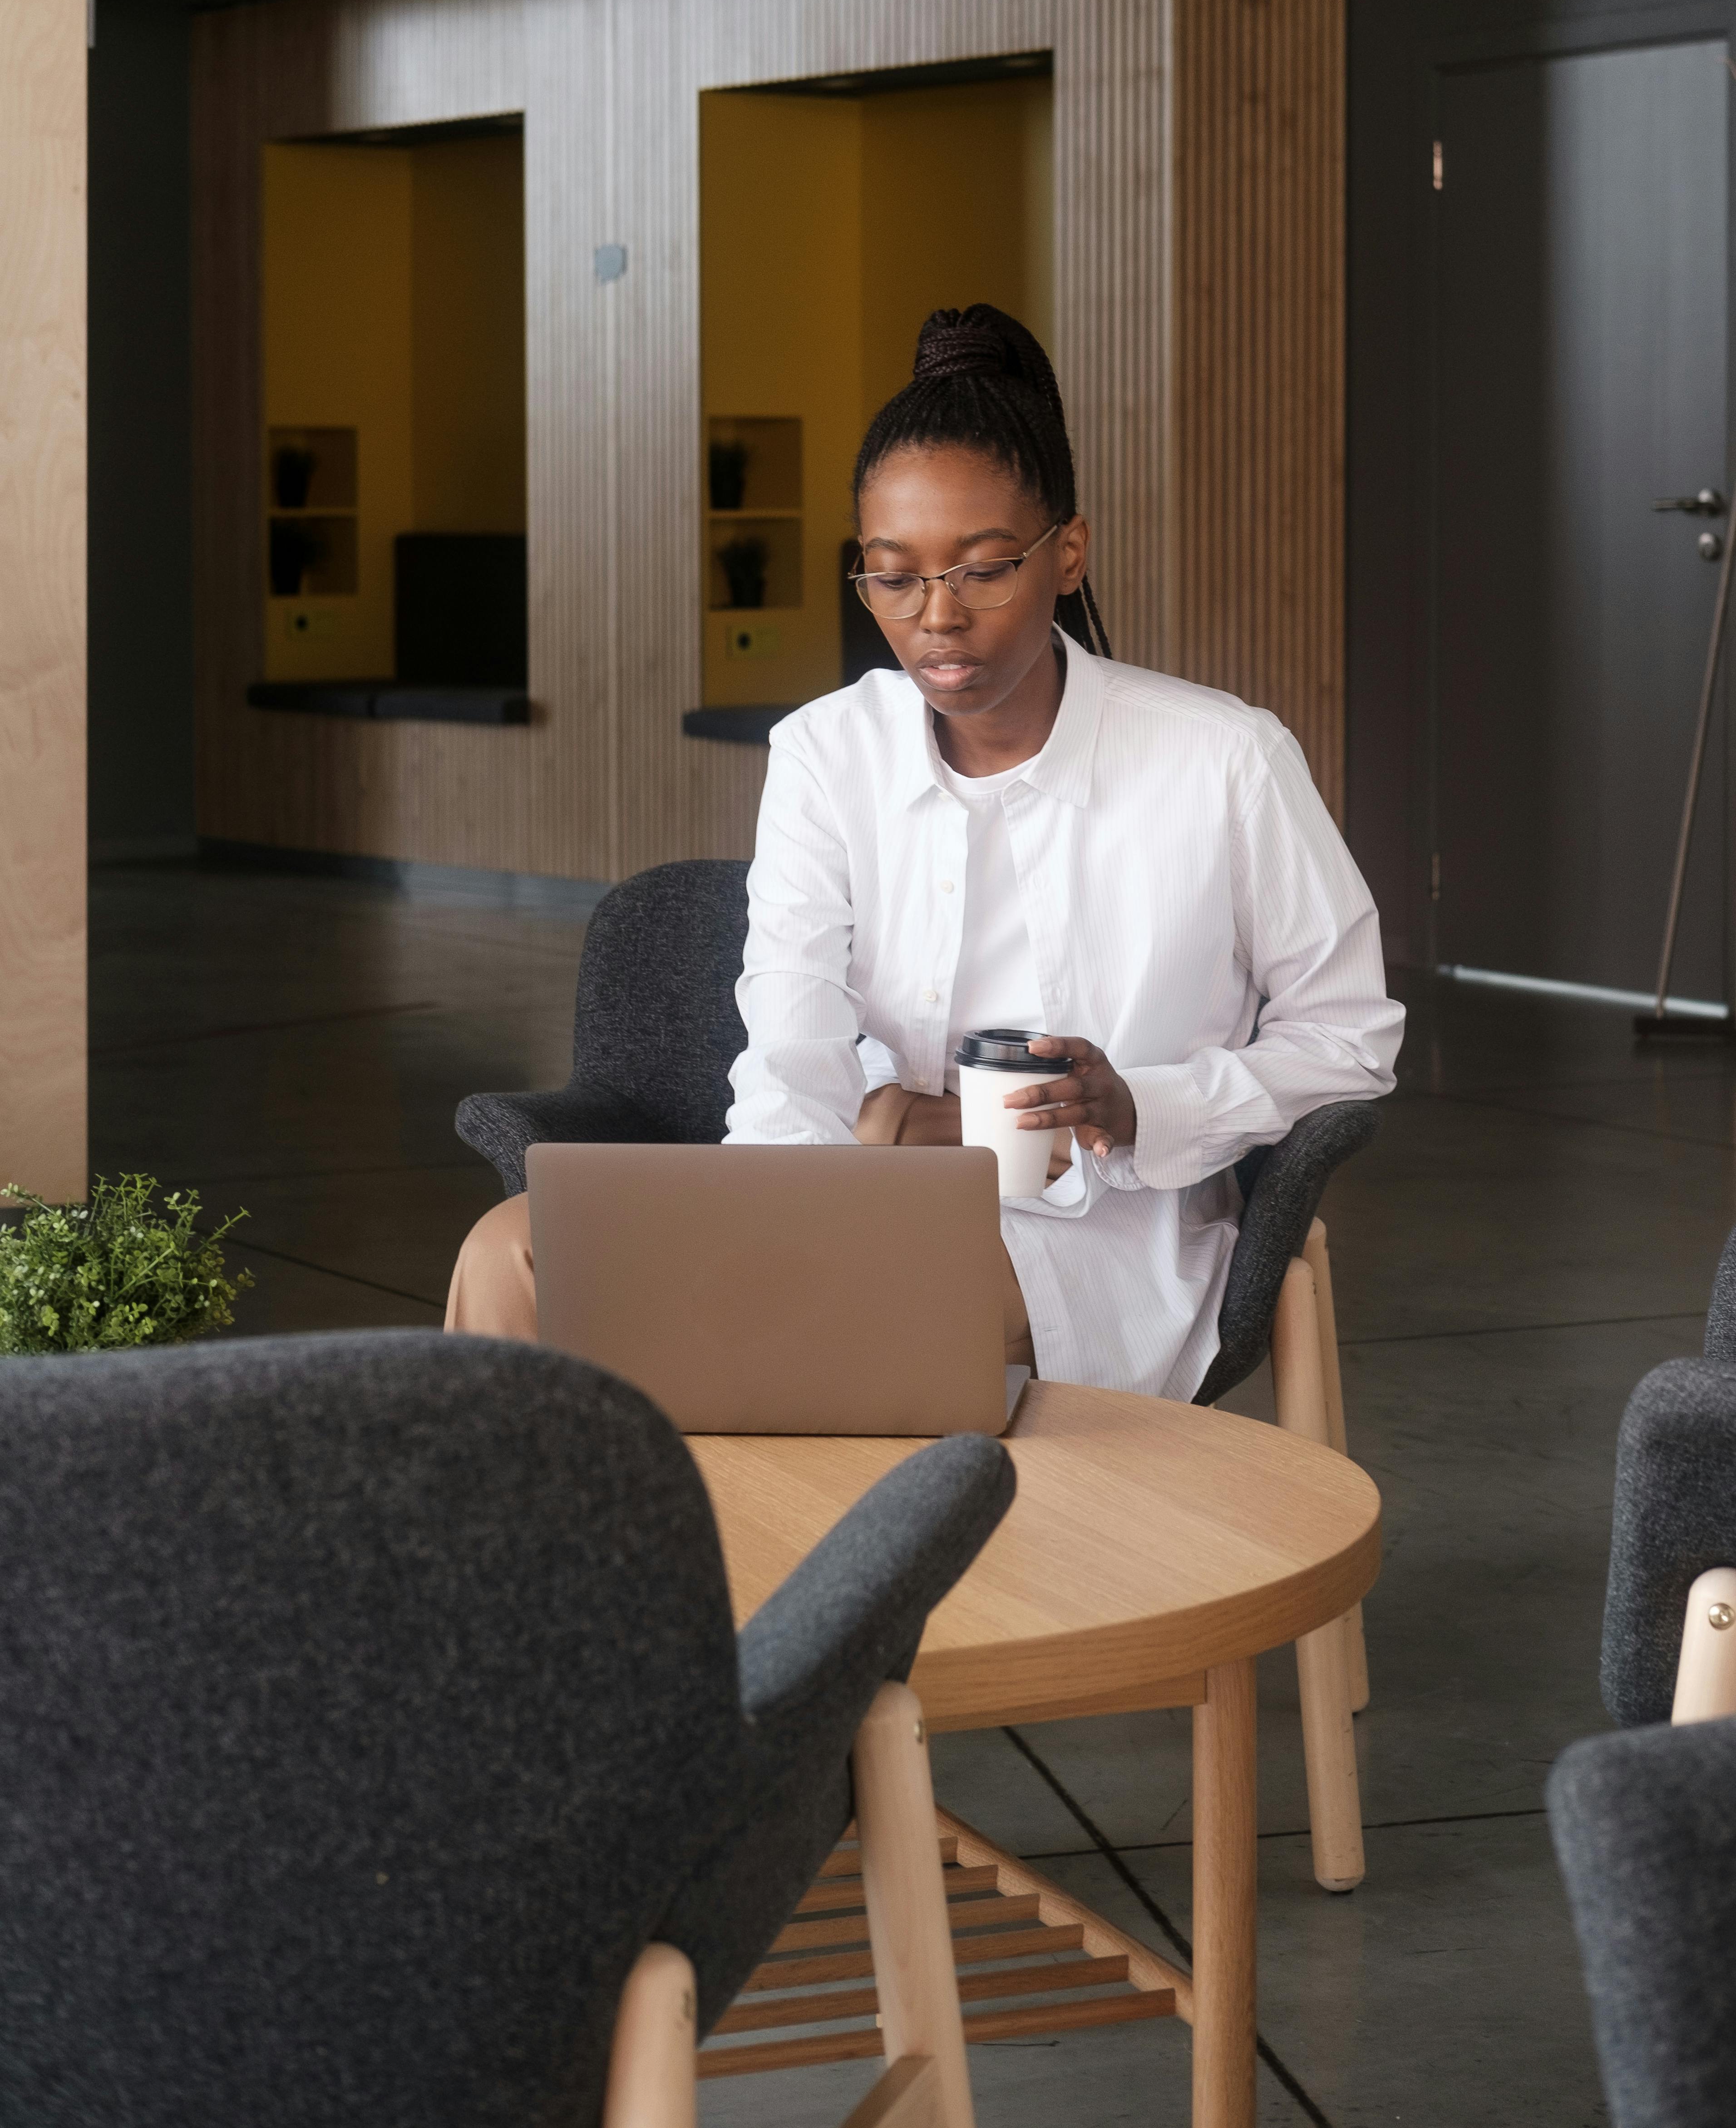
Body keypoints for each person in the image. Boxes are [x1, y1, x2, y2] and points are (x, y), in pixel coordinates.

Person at [446, 305, 1401, 1397]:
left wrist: (1141, 1102)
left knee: (810, 1317)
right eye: (893, 577)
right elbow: (791, 1041)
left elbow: (1348, 1036)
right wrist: (775, 1213)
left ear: (1068, 553)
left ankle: (807, 1559)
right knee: (509, 1252)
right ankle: (559, 1564)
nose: (936, 617)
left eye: (984, 570)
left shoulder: (1223, 758)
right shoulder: (824, 751)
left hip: (1100, 1233)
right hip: (851, 1191)